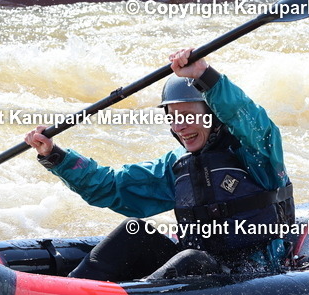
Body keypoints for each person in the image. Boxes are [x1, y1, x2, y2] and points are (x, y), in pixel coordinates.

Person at [24, 48, 294, 282]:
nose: (180, 127)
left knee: (190, 259)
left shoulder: (256, 152)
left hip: (252, 275)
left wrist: (205, 76)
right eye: (174, 117)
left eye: (189, 116)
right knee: (133, 232)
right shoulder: (176, 166)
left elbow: (247, 117)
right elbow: (111, 187)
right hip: (200, 272)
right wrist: (56, 156)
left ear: (214, 116)